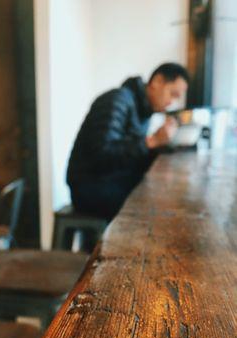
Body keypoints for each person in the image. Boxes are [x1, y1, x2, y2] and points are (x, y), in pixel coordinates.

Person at [67, 63, 189, 221]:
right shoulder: (116, 100)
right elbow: (101, 155)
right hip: (90, 187)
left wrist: (160, 145)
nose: (172, 102)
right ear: (157, 81)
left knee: (166, 195)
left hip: (110, 181)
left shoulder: (143, 109)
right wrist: (152, 141)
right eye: (173, 94)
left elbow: (132, 158)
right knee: (156, 207)